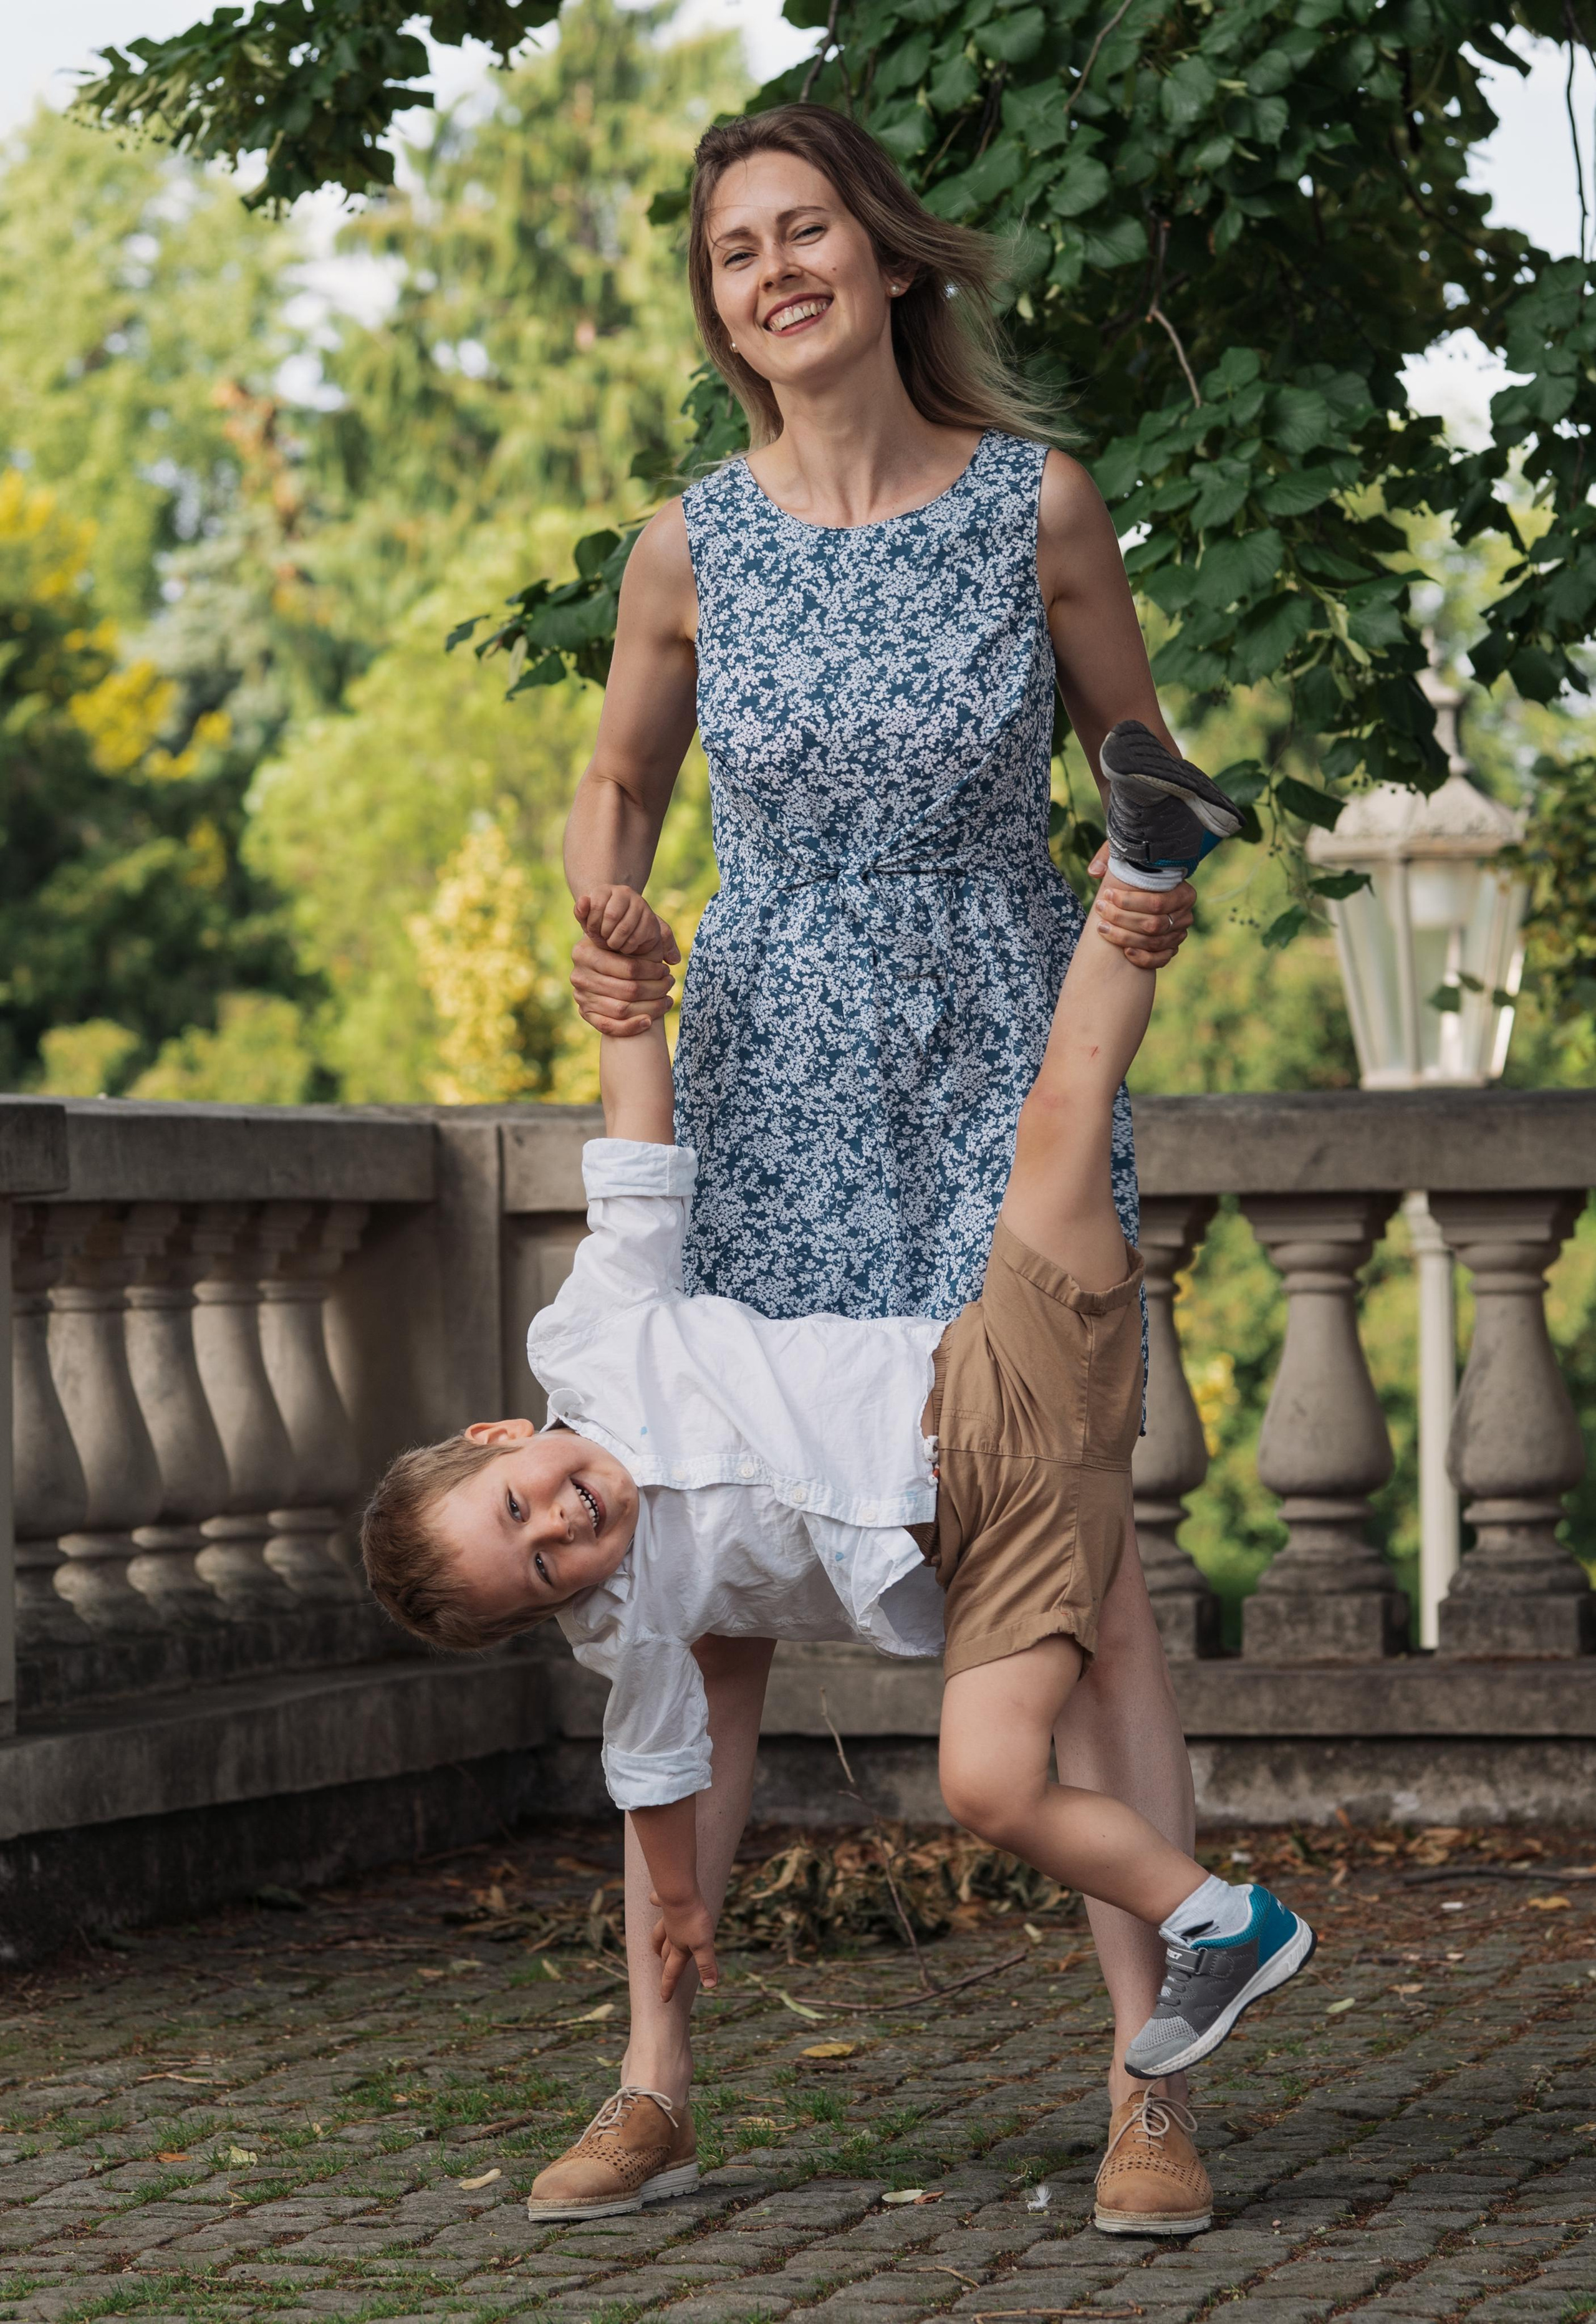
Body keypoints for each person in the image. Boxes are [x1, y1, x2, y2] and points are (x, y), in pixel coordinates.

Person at [362, 741, 1315, 2238]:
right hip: (980, 1524)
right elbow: (657, 1766)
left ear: (500, 1432)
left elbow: (630, 1164)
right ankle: (1210, 1924)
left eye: (521, 1503)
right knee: (988, 1776)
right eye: (541, 1569)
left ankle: (1145, 853)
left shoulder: (596, 1344)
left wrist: (630, 1001)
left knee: (1059, 1120)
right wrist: (678, 1902)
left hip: (977, 1367)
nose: (559, 1528)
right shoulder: (633, 1616)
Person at [562, 100, 1213, 2226]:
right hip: (762, 1071)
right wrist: (609, 915)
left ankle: (1154, 2085)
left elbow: (1144, 765)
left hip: (1000, 1068)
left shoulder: (1040, 505)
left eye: (807, 229)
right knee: (711, 1568)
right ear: (721, 308)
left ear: (891, 259)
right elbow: (620, 777)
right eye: (736, 250)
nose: (774, 269)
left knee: (1075, 1561)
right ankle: (655, 2069)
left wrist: (1145, 884)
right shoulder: (689, 546)